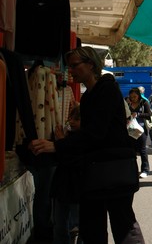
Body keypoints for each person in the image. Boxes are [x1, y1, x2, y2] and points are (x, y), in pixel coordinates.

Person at [30, 46, 144, 244]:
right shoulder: (90, 94)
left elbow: (95, 133)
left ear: (90, 65)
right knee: (94, 226)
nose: (71, 71)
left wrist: (58, 146)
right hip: (96, 170)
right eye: (70, 67)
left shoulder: (106, 89)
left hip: (111, 169)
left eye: (74, 66)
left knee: (122, 224)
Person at [52, 104, 81, 244]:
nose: (72, 121)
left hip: (77, 189)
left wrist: (61, 143)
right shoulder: (67, 135)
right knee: (60, 224)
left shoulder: (83, 139)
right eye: (71, 118)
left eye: (77, 119)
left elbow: (70, 160)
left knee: (76, 224)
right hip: (63, 187)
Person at [126, 87, 151, 178]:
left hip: (141, 130)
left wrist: (138, 114)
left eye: (135, 96)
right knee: (131, 150)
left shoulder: (144, 103)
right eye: (131, 97)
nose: (133, 98)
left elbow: (149, 115)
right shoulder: (127, 103)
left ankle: (145, 170)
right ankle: (132, 169)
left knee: (142, 150)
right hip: (130, 130)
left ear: (139, 96)